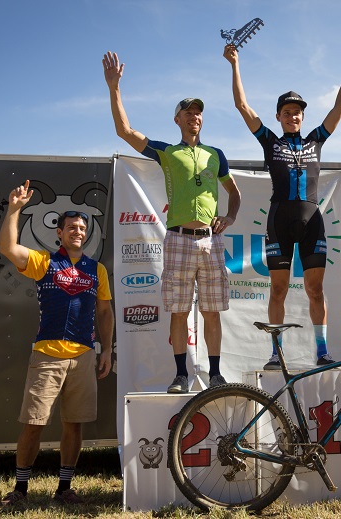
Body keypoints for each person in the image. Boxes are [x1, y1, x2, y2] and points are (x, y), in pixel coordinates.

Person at [103, 51, 241, 393]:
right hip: (178, 238)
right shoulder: (167, 151)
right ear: (177, 119)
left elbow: (234, 194)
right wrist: (113, 87)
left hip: (210, 239)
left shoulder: (215, 154)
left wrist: (232, 215)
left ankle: (215, 375)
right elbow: (124, 131)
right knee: (178, 312)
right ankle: (180, 374)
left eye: (198, 112)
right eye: (188, 112)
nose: (195, 116)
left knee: (212, 312)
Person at [224, 42, 341, 369]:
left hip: (312, 220)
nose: (293, 115)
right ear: (279, 117)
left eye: (297, 111)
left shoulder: (316, 139)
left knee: (315, 290)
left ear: (302, 116)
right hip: (279, 222)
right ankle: (275, 352)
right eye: (287, 111)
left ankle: (322, 350)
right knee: (279, 290)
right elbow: (242, 106)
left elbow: (339, 109)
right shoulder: (270, 141)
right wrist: (234, 63)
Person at [0, 180, 114, 506]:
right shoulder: (44, 262)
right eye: (71, 227)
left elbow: (105, 312)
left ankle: (64, 488)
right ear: (59, 233)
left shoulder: (97, 269)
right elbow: (8, 247)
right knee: (34, 424)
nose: (78, 231)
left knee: (73, 427)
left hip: (84, 356)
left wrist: (107, 349)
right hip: (47, 354)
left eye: (82, 227)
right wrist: (15, 209)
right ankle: (20, 490)